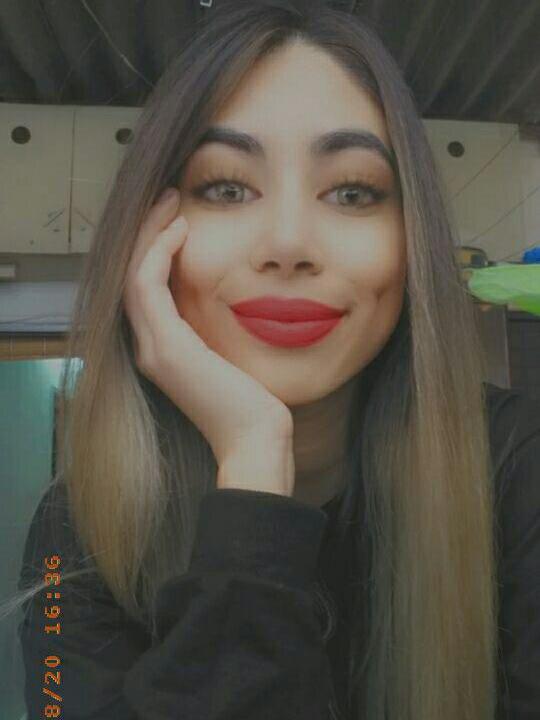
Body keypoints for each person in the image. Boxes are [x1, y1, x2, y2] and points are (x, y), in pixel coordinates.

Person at [8, 1, 540, 719]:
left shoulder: (520, 469)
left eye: (352, 192)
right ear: (149, 237)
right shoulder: (76, 527)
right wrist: (254, 463)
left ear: (411, 239)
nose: (289, 243)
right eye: (227, 188)